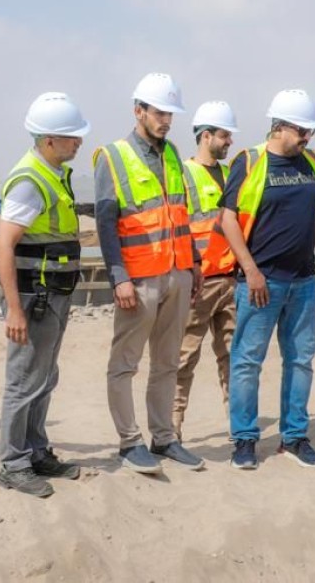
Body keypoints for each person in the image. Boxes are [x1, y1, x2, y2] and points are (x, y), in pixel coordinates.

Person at [218, 90, 315, 471]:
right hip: (261, 284)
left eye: (311, 131)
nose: (308, 137)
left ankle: (294, 438)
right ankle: (244, 441)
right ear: (280, 126)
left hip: (303, 282)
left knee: (301, 361)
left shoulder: (311, 163)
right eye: (303, 130)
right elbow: (227, 220)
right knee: (246, 362)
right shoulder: (251, 162)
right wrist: (251, 271)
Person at [93, 72, 204, 475]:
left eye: (170, 113)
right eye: (159, 113)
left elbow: (181, 213)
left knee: (168, 362)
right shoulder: (113, 156)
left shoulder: (173, 153)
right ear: (138, 110)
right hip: (138, 280)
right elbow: (106, 224)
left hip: (177, 273)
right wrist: (118, 276)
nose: (166, 121)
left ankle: (164, 438)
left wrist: (193, 263)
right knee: (125, 364)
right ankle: (129, 442)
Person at [0, 92, 90, 498]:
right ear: (48, 140)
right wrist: (14, 310)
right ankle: (13, 464)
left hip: (53, 295)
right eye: (71, 137)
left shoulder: (52, 172)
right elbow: (4, 245)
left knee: (44, 378)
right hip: (34, 299)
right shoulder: (30, 180)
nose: (78, 143)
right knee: (23, 381)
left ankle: (35, 451)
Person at [173, 101, 240, 439]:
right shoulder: (182, 175)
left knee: (233, 356)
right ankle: (173, 428)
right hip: (198, 282)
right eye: (225, 135)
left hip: (232, 280)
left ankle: (238, 424)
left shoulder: (231, 175)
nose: (229, 142)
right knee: (184, 358)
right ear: (206, 135)